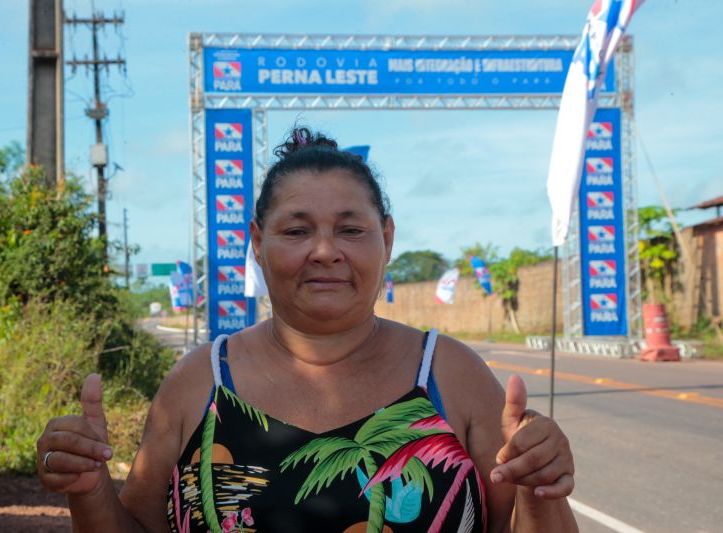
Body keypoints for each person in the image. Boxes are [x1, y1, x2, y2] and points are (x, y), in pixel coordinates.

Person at [38, 127, 577, 532]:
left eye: (351, 229)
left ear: (386, 239)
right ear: (257, 241)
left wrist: (542, 487)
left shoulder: (450, 376)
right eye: (297, 230)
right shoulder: (199, 383)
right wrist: (88, 492)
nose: (325, 251)